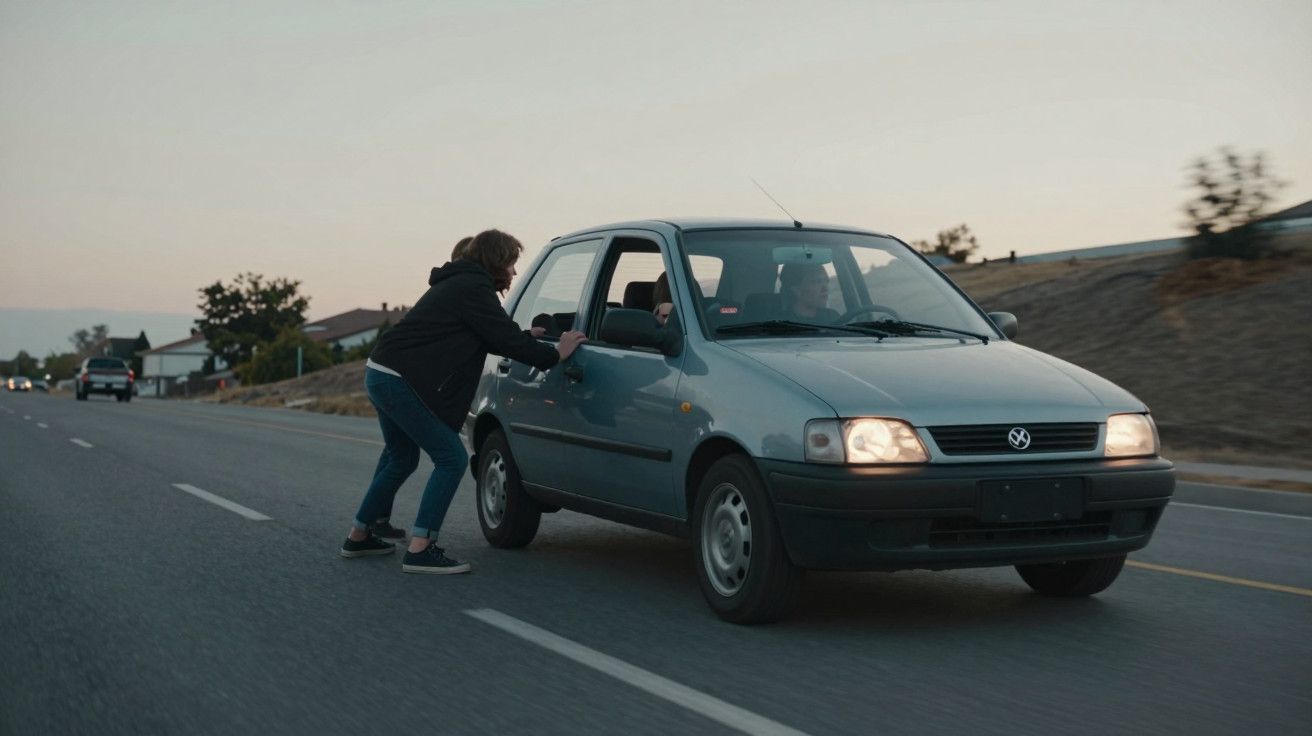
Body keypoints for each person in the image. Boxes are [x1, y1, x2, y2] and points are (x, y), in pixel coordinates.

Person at [341, 229, 587, 574]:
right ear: (496, 262)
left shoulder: (460, 284)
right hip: (398, 379)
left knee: (402, 456)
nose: (514, 273)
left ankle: (359, 534)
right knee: (451, 458)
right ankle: (421, 548)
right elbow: (503, 338)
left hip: (382, 371)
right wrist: (556, 355)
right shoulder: (474, 288)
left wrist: (522, 338)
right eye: (512, 264)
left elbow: (489, 333)